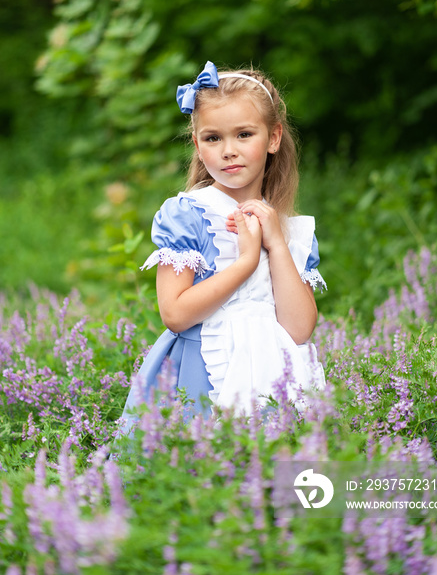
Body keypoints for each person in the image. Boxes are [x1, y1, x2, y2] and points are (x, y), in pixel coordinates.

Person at [119, 60, 326, 431]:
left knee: (270, 481)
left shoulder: (292, 232)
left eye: (244, 134)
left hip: (273, 378)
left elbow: (299, 329)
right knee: (198, 475)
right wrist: (246, 261)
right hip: (201, 377)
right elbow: (176, 314)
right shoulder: (189, 214)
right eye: (214, 138)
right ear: (198, 145)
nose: (229, 150)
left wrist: (276, 245)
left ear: (274, 138)